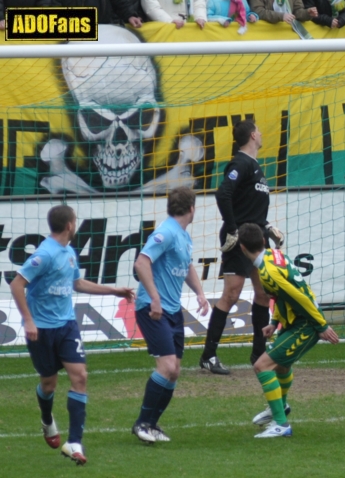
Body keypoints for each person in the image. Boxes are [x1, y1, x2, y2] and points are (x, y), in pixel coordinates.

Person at [10, 205, 135, 465]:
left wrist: (113, 291)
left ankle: (74, 442)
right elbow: (17, 284)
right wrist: (29, 320)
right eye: (75, 221)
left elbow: (77, 283)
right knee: (49, 384)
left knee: (80, 376)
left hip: (67, 325)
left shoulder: (69, 252)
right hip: (42, 330)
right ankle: (47, 420)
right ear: (69, 225)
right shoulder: (44, 254)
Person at [237, 223, 339, 438]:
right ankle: (279, 408)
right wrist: (274, 322)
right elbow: (285, 294)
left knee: (262, 366)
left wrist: (321, 325)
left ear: (242, 248)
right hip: (297, 321)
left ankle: (281, 425)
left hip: (306, 323)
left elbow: (300, 296)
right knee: (281, 367)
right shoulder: (274, 255)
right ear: (263, 242)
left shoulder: (267, 272)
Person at [199, 119, 284, 375]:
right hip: (241, 240)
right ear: (251, 136)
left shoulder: (255, 166)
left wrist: (267, 226)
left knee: (263, 294)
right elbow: (223, 194)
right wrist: (233, 228)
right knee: (231, 294)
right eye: (258, 129)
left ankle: (259, 353)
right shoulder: (240, 163)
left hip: (257, 238)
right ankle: (208, 355)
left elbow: (249, 205)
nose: (261, 132)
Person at [131, 187, 210, 443]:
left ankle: (152, 425)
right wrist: (154, 298)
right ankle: (142, 423)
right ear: (191, 209)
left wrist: (199, 292)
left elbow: (186, 266)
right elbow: (141, 263)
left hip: (173, 310)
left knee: (174, 370)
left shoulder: (183, 237)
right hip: (154, 309)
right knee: (166, 366)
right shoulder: (165, 232)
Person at [51, 0, 143, 26]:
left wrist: (130, 15)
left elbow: (118, 1)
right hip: (75, 30)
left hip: (104, 27)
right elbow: (55, 4)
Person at [142, 0, 207, 28]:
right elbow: (152, 7)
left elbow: (198, 2)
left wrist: (200, 17)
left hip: (190, 30)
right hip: (165, 32)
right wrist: (170, 21)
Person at [249, 0, 317, 23]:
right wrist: (281, 16)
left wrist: (307, 13)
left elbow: (297, 11)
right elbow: (257, 11)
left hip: (289, 37)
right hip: (267, 37)